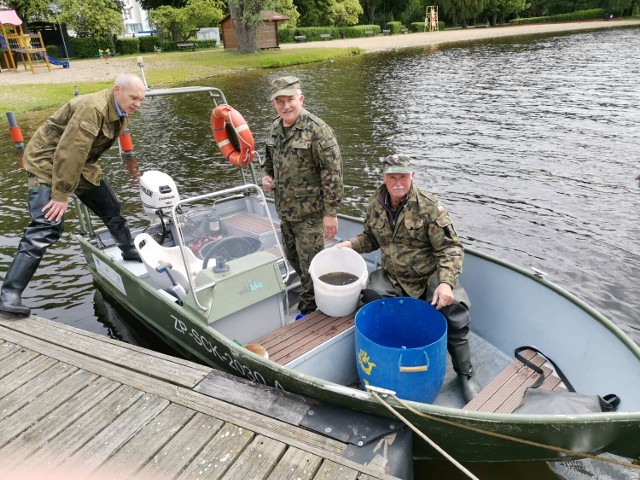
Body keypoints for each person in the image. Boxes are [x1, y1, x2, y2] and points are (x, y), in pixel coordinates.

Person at [336, 154, 481, 403]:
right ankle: (384, 358)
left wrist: (445, 283)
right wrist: (351, 245)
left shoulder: (429, 206)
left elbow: (451, 248)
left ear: (412, 176)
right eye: (392, 176)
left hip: (429, 277)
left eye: (403, 176)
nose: (398, 182)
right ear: (384, 178)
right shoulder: (375, 204)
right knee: (371, 298)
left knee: (454, 310)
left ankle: (465, 374)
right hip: (394, 275)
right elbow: (371, 238)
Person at [0, 73, 147, 317]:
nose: (137, 104)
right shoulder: (93, 109)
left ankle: (128, 250)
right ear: (117, 90)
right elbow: (69, 153)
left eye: (141, 100)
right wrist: (61, 194)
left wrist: (78, 182)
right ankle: (9, 294)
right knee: (46, 227)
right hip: (46, 163)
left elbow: (81, 155)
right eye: (134, 98)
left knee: (111, 208)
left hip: (78, 163)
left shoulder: (119, 112)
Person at [261, 76, 344, 314]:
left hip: (310, 215)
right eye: (280, 101)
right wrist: (266, 176)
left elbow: (334, 174)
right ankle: (313, 297)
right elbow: (267, 163)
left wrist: (331, 214)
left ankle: (310, 310)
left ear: (301, 99)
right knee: (293, 259)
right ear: (274, 104)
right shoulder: (275, 128)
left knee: (311, 266)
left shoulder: (319, 131)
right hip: (285, 212)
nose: (286, 106)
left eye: (290, 99)